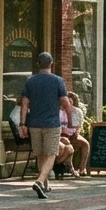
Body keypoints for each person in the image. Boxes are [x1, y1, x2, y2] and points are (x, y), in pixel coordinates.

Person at [19, 52, 73, 199]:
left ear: (38, 64)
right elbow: (65, 103)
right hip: (51, 123)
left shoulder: (30, 81)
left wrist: (22, 124)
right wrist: (70, 121)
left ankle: (45, 185)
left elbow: (24, 104)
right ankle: (39, 180)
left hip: (34, 124)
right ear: (51, 64)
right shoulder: (58, 81)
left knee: (41, 154)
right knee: (51, 154)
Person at [61, 92, 90, 177]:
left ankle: (82, 168)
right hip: (62, 133)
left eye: (71, 101)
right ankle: (70, 167)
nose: (69, 103)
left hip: (73, 132)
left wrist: (77, 132)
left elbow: (79, 125)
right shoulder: (60, 111)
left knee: (85, 144)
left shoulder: (77, 112)